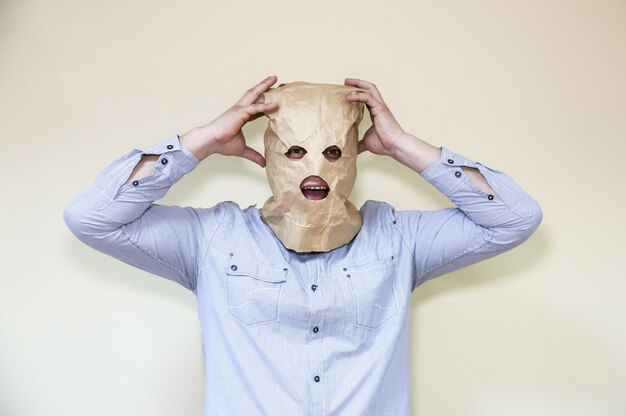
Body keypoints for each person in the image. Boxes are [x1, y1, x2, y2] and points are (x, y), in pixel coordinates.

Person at [64, 76, 542, 415]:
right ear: (271, 156)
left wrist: (401, 145)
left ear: (354, 157)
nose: (315, 166)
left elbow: (515, 219)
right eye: (295, 151)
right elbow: (92, 218)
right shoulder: (212, 239)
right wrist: (202, 141)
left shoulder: (398, 238)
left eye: (334, 152)